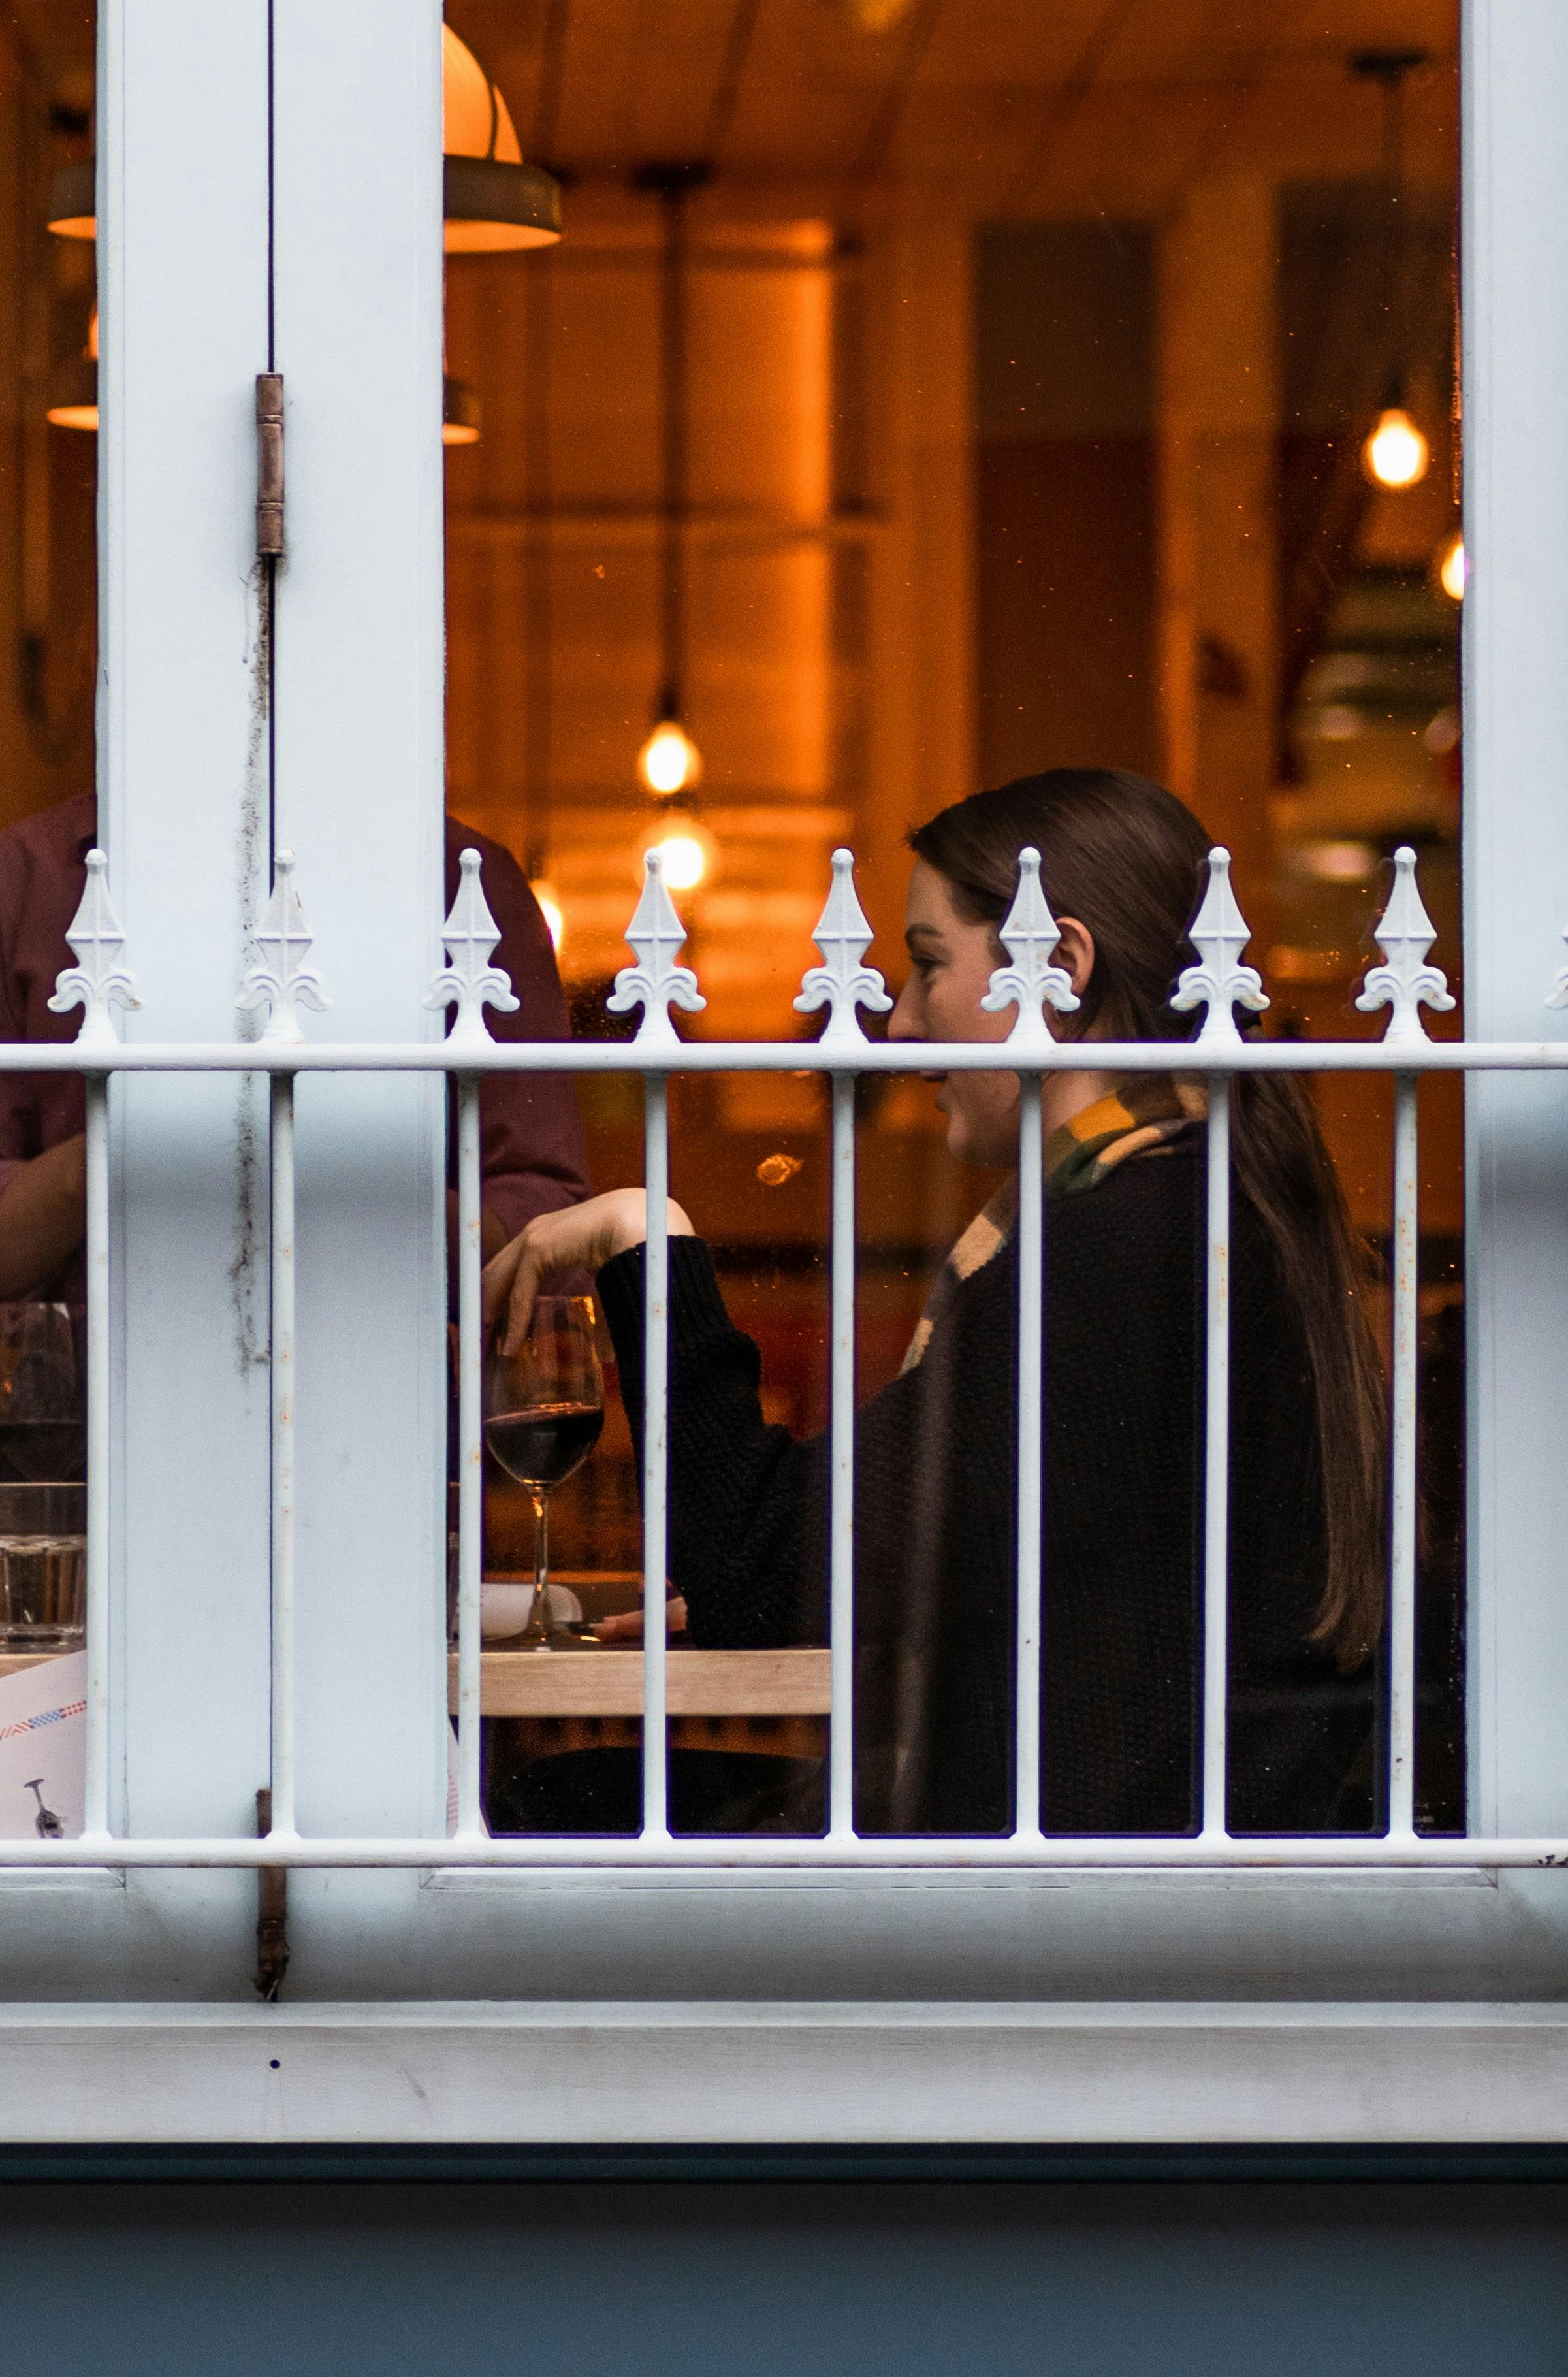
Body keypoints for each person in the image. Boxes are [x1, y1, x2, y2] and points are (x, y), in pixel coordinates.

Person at [484, 768, 1384, 1837]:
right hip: (1114, 1849)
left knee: (561, 1809)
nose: (901, 1021)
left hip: (1077, 1892)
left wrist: (643, 1235)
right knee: (583, 1794)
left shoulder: (1127, 1243)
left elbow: (762, 1559)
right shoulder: (1181, 1205)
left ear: (1059, 969)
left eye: (925, 965)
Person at [0, 791, 586, 1319]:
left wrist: (334, 1168)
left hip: (378, 1413)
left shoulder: (462, 887)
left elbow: (553, 1235)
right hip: (92, 1441)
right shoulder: (32, 875)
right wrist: (112, 1148)